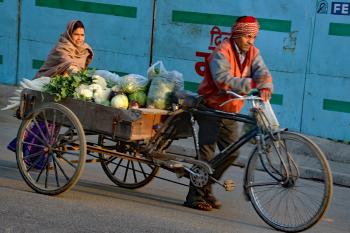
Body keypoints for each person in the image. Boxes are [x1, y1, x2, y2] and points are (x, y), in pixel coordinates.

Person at [184, 16, 273, 211]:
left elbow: (262, 72)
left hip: (231, 110)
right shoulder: (221, 52)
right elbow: (222, 81)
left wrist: (265, 84)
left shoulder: (253, 53)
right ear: (238, 34)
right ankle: (195, 196)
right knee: (207, 154)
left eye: (254, 37)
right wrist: (252, 84)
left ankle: (206, 187)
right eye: (248, 36)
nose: (251, 41)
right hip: (210, 107)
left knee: (232, 152)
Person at [7, 20, 94, 161]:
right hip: (48, 86)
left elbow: (81, 69)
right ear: (69, 34)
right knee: (47, 123)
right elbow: (69, 65)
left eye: (82, 35)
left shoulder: (84, 50)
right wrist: (81, 78)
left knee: (54, 124)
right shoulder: (62, 47)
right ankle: (32, 155)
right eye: (76, 34)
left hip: (67, 90)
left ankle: (31, 152)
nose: (79, 38)